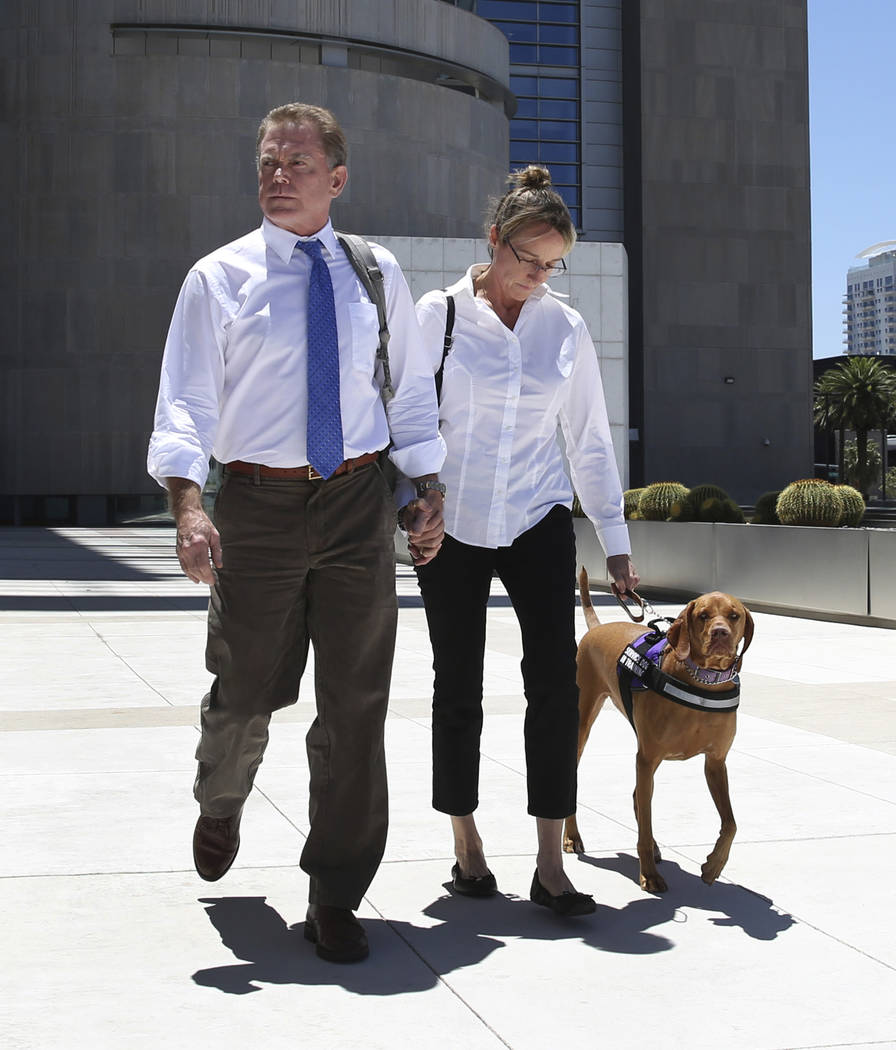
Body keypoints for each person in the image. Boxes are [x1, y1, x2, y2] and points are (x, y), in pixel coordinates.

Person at [147, 103, 446, 963]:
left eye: (298, 164)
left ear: (337, 180)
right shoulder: (218, 277)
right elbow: (185, 400)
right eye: (269, 163)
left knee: (355, 705)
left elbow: (410, 395)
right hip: (256, 504)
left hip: (357, 502)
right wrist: (189, 504)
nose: (279, 175)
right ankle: (221, 797)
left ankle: (335, 890)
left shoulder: (375, 271)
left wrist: (426, 487)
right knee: (244, 690)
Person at [414, 166, 640, 916]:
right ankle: (466, 840)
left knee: (552, 684)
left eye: (551, 265)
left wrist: (614, 539)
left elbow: (589, 440)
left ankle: (550, 862)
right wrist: (419, 499)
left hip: (538, 518)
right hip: (455, 524)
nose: (538, 278)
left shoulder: (563, 326)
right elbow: (409, 422)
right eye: (526, 261)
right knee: (459, 685)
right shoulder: (437, 316)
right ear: (494, 240)